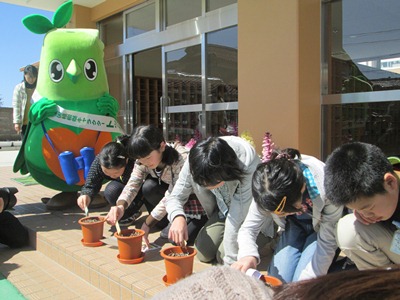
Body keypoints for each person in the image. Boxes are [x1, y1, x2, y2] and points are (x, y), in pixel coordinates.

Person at [232, 148, 343, 283]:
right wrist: (248, 255)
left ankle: (347, 271)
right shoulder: (266, 191)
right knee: (279, 281)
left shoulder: (326, 186)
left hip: (323, 230)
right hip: (294, 226)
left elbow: (327, 241)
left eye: (285, 211)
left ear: (302, 188)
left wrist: (304, 284)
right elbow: (248, 229)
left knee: (303, 283)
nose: (279, 215)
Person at [165, 136, 269, 265]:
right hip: (223, 211)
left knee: (225, 256)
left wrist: (230, 267)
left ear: (226, 171)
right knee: (203, 253)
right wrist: (178, 217)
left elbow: (237, 216)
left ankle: (269, 236)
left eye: (212, 184)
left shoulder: (247, 163)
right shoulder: (196, 160)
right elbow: (175, 196)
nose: (207, 187)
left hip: (249, 216)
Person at [105, 125, 207, 244]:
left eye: (148, 158)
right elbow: (133, 184)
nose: (144, 163)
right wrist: (120, 206)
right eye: (140, 159)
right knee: (149, 187)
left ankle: (200, 221)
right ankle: (169, 220)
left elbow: (172, 194)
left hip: (194, 201)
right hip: (174, 200)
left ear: (162, 146)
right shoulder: (141, 161)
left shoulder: (181, 159)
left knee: (176, 238)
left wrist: (147, 224)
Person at [324, 142, 400, 270]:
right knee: (349, 229)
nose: (365, 215)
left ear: (390, 183)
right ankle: (386, 283)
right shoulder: (375, 188)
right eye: (357, 210)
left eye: (368, 208)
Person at [76, 135, 142, 226]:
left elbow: (136, 184)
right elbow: (91, 183)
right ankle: (129, 213)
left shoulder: (135, 159)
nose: (112, 176)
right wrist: (86, 195)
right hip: (124, 188)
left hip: (141, 187)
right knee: (111, 190)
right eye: (106, 172)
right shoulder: (101, 160)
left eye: (116, 173)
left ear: (126, 162)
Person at [12, 64, 38, 139]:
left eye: (34, 76)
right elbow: (16, 105)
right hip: (24, 123)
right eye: (29, 76)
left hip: (36, 122)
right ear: (24, 75)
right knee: (26, 145)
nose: (31, 79)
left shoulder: (39, 88)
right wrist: (17, 122)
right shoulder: (19, 88)